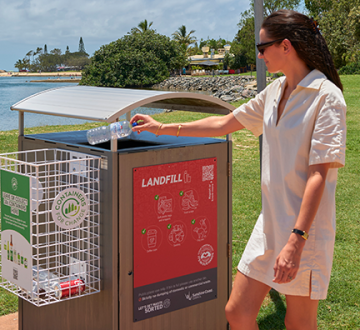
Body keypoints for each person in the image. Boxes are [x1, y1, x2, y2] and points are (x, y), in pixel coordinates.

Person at [130, 10, 346, 330]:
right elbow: (224, 123)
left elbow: (319, 175)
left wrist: (297, 240)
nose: (260, 56)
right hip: (269, 225)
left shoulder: (326, 98)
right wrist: (161, 127)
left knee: (299, 322)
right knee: (237, 312)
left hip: (304, 232)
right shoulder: (274, 92)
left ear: (285, 46)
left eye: (263, 48)